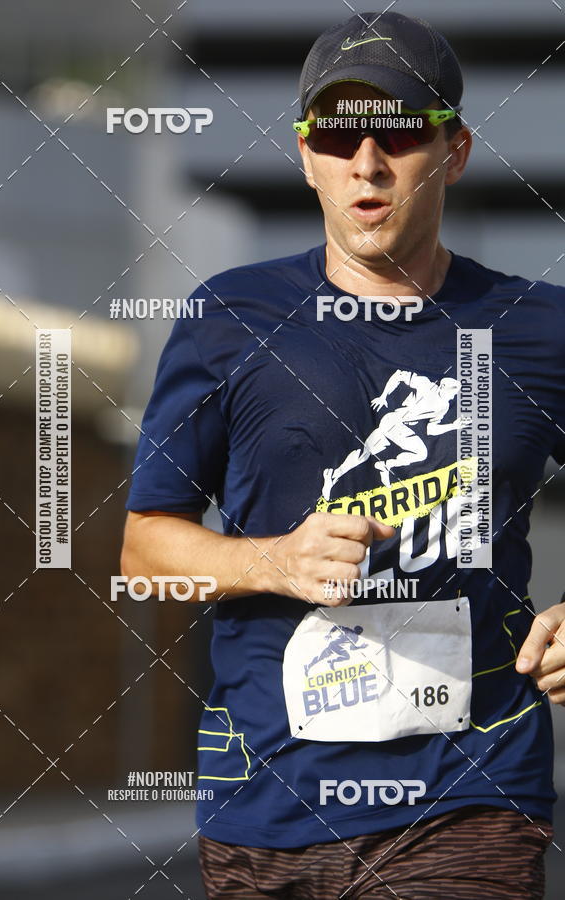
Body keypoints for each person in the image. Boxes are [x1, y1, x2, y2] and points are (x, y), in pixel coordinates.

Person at [121, 10, 565, 899]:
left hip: (470, 789)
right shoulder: (229, 318)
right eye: (336, 135)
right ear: (306, 156)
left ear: (453, 151)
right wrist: (274, 561)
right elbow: (143, 550)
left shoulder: (537, 326)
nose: (366, 162)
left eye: (397, 133)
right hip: (265, 799)